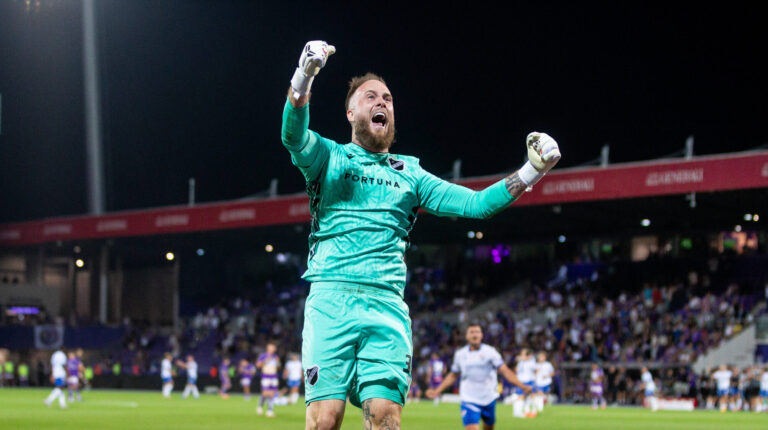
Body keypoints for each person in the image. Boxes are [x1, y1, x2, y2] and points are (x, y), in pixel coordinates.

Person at [282, 40, 562, 430]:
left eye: (388, 98)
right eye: (370, 97)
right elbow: (293, 136)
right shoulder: (330, 156)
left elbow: (476, 205)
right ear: (351, 112)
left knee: (385, 421)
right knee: (324, 420)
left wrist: (533, 170)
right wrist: (305, 74)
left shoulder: (411, 173)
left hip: (386, 306)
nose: (382, 102)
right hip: (331, 299)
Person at [426, 324, 530, 430]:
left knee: (489, 427)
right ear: (466, 336)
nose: (474, 335)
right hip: (469, 399)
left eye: (477, 332)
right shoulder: (460, 354)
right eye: (471, 332)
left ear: (481, 335)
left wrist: (522, 386)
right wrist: (437, 390)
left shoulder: (490, 352)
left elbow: (505, 371)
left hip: (488, 398)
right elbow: (453, 375)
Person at [256, 343, 280, 417]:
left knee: (272, 393)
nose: (272, 349)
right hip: (266, 376)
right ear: (268, 348)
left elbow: (278, 367)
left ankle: (270, 410)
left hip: (274, 376)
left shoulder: (276, 357)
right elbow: (258, 365)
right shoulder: (263, 356)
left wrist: (278, 363)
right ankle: (260, 406)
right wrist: (266, 361)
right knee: (265, 393)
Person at [513, 349, 537, 418]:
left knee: (531, 396)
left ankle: (532, 410)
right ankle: (517, 412)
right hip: (521, 381)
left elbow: (534, 368)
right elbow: (517, 361)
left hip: (529, 381)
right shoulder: (520, 362)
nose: (522, 355)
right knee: (521, 396)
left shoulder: (531, 360)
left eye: (524, 353)